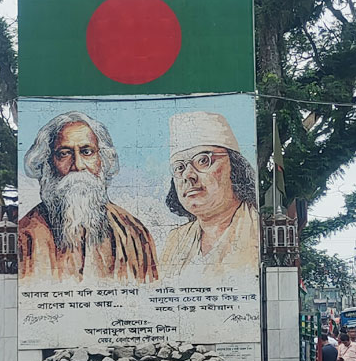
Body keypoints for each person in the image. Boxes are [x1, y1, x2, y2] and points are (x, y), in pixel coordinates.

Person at [19, 111, 158, 283]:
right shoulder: (24, 237)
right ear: (48, 163)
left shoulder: (134, 233)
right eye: (64, 153)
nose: (77, 165)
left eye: (87, 152)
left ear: (103, 159)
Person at [161, 111, 261, 278]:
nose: (188, 175)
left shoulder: (258, 229)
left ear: (235, 167)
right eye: (179, 167)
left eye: (202, 160)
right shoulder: (175, 241)